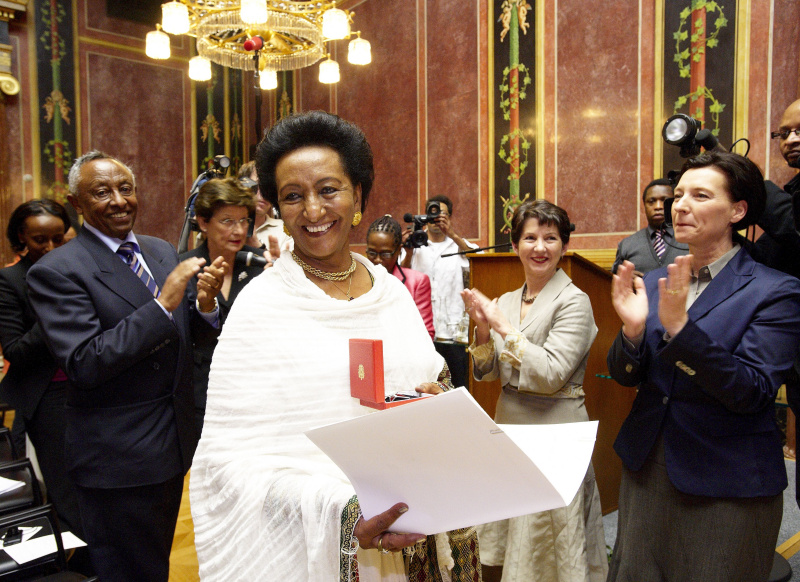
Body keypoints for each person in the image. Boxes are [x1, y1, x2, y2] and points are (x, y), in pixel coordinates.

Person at [190, 111, 480, 581]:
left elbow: (431, 384)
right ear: (277, 209)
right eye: (292, 196)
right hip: (324, 553)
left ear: (359, 195)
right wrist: (342, 512)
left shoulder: (392, 293)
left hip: (415, 535)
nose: (313, 211)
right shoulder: (261, 306)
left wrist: (441, 408)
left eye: (329, 189)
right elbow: (225, 466)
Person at [26, 151, 226, 581]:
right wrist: (163, 303)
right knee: (129, 570)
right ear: (76, 204)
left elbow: (183, 339)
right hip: (117, 459)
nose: (119, 200)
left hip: (172, 443)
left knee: (156, 562)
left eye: (126, 188)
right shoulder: (57, 271)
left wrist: (204, 307)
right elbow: (85, 362)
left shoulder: (156, 251)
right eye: (102, 192)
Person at [607, 150, 800, 581]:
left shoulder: (776, 290)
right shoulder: (658, 281)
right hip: (648, 470)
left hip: (725, 482)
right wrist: (634, 333)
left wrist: (681, 331)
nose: (680, 205)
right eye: (678, 195)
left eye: (699, 194)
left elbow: (751, 391)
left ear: (738, 210)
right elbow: (624, 374)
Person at [462, 199, 607, 582]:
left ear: (563, 247)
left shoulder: (575, 301)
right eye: (530, 238)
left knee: (552, 548)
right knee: (511, 544)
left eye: (550, 238)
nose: (539, 247)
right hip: (509, 429)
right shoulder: (507, 300)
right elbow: (487, 374)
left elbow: (551, 374)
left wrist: (503, 328)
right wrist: (481, 329)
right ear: (515, 246)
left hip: (556, 433)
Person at [0, 199, 92, 574]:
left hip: (91, 388)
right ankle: (82, 567)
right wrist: (51, 310)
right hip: (49, 398)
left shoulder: (78, 270)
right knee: (66, 493)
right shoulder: (10, 281)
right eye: (40, 240)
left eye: (59, 238)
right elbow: (16, 351)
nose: (51, 248)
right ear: (22, 237)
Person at [179, 177, 264, 434]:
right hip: (202, 392)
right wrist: (206, 306)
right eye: (227, 221)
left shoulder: (260, 266)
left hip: (254, 391)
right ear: (204, 223)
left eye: (244, 221)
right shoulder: (183, 267)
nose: (238, 231)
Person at [400, 195, 477, 339]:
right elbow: (400, 276)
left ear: (450, 217)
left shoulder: (458, 245)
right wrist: (409, 252)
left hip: (452, 328)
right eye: (432, 213)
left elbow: (478, 261)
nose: (436, 218)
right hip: (419, 325)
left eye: (441, 214)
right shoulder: (414, 243)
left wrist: (452, 234)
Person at [366, 215, 434, 339]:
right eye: (371, 253)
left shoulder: (417, 282)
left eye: (385, 254)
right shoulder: (357, 280)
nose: (377, 260)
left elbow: (426, 334)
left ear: (398, 251)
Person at [612, 179, 688, 274]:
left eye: (664, 201)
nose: (658, 206)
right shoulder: (627, 245)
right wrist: (625, 278)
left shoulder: (690, 239)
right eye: (651, 201)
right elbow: (612, 281)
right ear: (644, 206)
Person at [238, 160, 292, 251]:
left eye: (268, 188)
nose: (264, 194)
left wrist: (258, 247)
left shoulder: (286, 231)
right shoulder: (227, 225)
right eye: (257, 187)